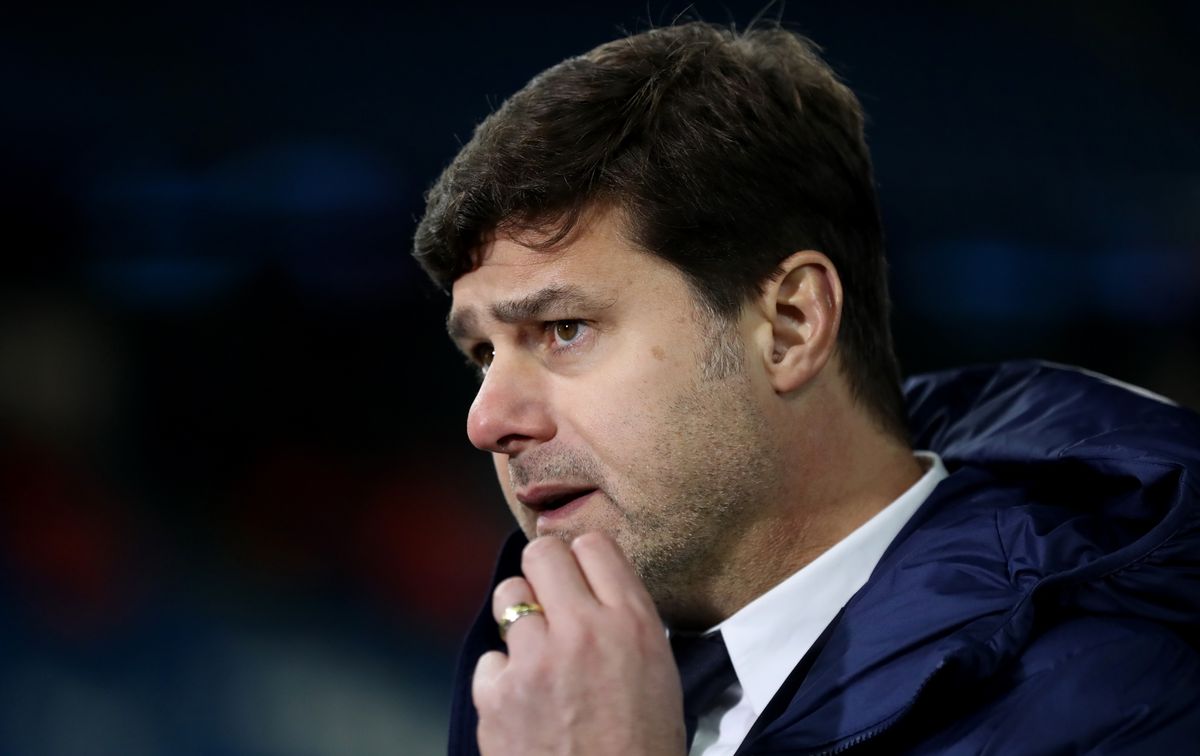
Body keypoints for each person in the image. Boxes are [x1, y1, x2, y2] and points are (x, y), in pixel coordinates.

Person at [412, 21, 1200, 756]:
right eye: (483, 353)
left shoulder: (1116, 706)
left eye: (564, 329)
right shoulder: (536, 700)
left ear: (790, 325)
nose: (487, 420)